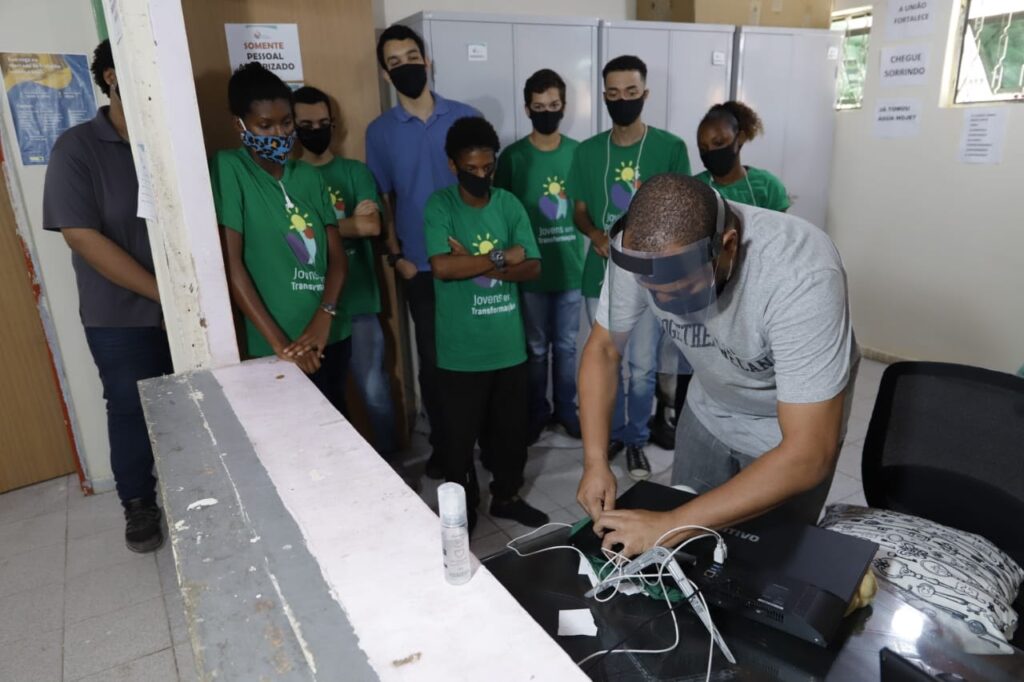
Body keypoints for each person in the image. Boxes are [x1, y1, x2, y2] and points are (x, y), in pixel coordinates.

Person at [576, 174, 858, 557]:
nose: (663, 302)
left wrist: (669, 524)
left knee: (768, 562)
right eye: (651, 290)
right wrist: (594, 462)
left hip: (787, 434)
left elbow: (808, 454)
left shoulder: (800, 272)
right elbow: (604, 349)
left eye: (680, 290)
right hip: (707, 411)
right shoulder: (640, 248)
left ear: (726, 247)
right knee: (685, 555)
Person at [42, 39, 172, 553]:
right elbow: (81, 235)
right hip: (119, 314)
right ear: (112, 77)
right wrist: (163, 295)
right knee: (130, 407)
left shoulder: (167, 140)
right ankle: (138, 503)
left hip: (188, 309)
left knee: (196, 405)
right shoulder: (78, 147)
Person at [567, 55, 691, 481]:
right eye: (614, 94)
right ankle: (612, 435)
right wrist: (597, 236)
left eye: (631, 93)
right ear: (604, 96)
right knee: (607, 363)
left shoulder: (670, 148)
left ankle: (636, 439)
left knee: (641, 369)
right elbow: (579, 212)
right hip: (598, 277)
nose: (623, 100)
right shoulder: (586, 152)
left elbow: (682, 213)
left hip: (649, 280)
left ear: (645, 94)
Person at [424, 116, 548, 533]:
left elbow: (531, 266)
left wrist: (473, 263)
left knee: (510, 439)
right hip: (461, 352)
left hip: (507, 348)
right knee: (458, 445)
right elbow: (442, 267)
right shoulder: (440, 206)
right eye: (471, 169)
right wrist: (501, 257)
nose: (481, 176)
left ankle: (507, 497)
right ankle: (464, 511)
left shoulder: (509, 204)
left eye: (487, 167)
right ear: (452, 165)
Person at [366, 25, 479, 479]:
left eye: (412, 56)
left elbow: (485, 187)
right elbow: (383, 201)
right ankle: (447, 447)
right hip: (422, 269)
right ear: (386, 71)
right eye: (395, 62)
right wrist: (397, 258)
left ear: (427, 60)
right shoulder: (380, 132)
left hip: (473, 263)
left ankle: (479, 440)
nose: (407, 66)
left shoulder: (463, 117)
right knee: (433, 366)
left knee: (476, 356)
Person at [210, 63, 350, 412]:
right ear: (239, 126)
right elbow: (232, 264)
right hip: (275, 345)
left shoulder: (308, 176)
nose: (279, 133)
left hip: (330, 332)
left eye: (286, 122)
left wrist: (324, 317)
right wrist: (282, 347)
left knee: (338, 434)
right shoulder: (230, 169)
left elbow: (337, 258)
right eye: (264, 125)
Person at [293, 85, 399, 457]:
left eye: (323, 122)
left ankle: (392, 469)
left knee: (376, 392)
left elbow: (372, 227)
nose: (316, 130)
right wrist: (344, 222)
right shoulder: (287, 177)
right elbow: (286, 235)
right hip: (309, 308)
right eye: (306, 124)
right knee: (320, 401)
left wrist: (320, 227)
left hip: (359, 303)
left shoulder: (354, 171)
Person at [494, 69, 582, 444]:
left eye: (554, 105)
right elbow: (500, 213)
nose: (547, 112)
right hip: (529, 272)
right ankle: (536, 412)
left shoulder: (579, 153)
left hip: (570, 270)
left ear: (564, 106)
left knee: (565, 347)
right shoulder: (513, 158)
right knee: (533, 349)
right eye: (539, 106)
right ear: (527, 109)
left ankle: (566, 409)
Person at [695, 101, 789, 212]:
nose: (711, 151)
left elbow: (781, 228)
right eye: (703, 148)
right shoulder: (694, 188)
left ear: (740, 138)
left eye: (719, 143)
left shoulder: (769, 187)